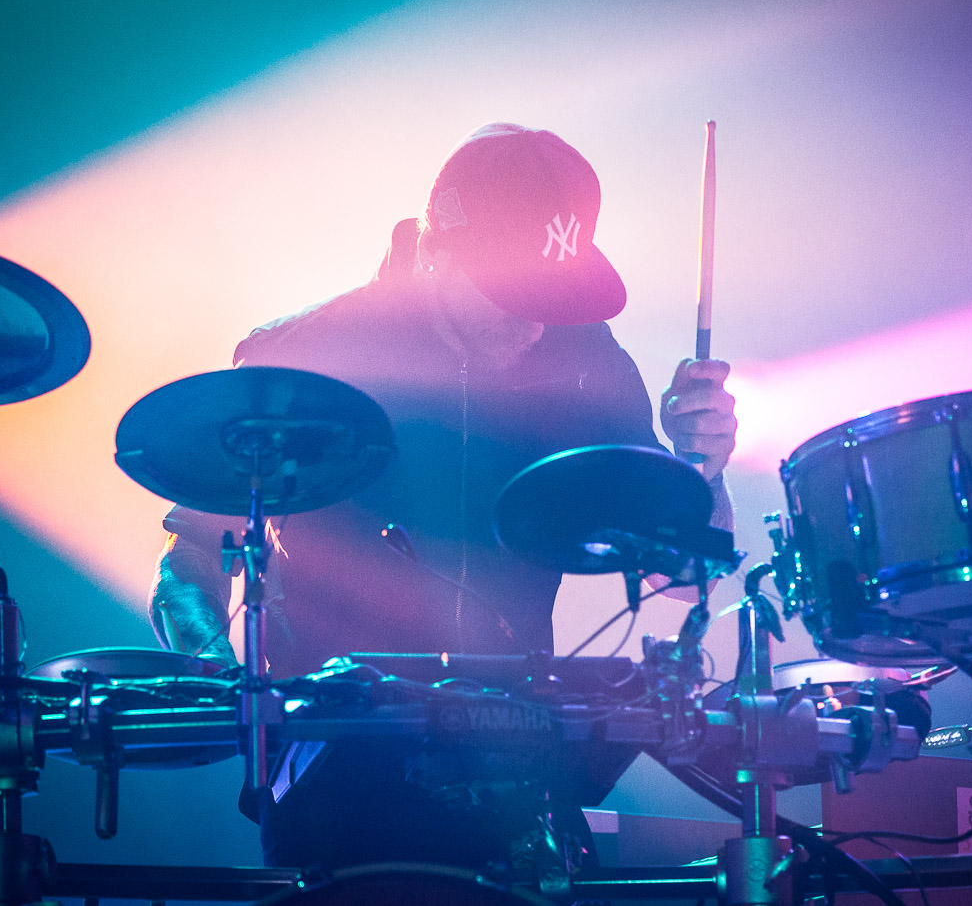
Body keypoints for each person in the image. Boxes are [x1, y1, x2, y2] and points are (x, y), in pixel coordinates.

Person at [149, 122, 739, 872]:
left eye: (554, 295)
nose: (535, 319)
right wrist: (213, 666)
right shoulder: (306, 353)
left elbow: (684, 574)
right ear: (434, 250)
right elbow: (193, 547)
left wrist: (702, 471)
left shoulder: (585, 357)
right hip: (338, 770)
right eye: (512, 292)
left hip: (515, 771)